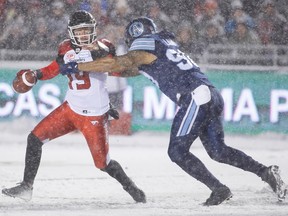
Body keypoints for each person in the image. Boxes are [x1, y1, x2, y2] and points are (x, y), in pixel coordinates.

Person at [61, 17, 287, 206]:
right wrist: (101, 67)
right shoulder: (162, 44)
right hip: (209, 94)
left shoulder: (148, 43)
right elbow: (132, 69)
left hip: (195, 97)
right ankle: (266, 173)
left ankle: (219, 189)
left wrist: (79, 65)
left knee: (177, 152)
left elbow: (122, 62)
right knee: (218, 151)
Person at [2, 11, 146, 203]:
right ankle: (26, 187)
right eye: (79, 31)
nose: (84, 35)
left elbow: (109, 64)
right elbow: (56, 67)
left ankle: (132, 188)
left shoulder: (104, 47)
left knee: (103, 164)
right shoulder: (65, 47)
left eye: (87, 30)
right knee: (34, 139)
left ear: (94, 30)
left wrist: (80, 62)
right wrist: (36, 75)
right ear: (71, 32)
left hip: (94, 116)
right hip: (70, 109)